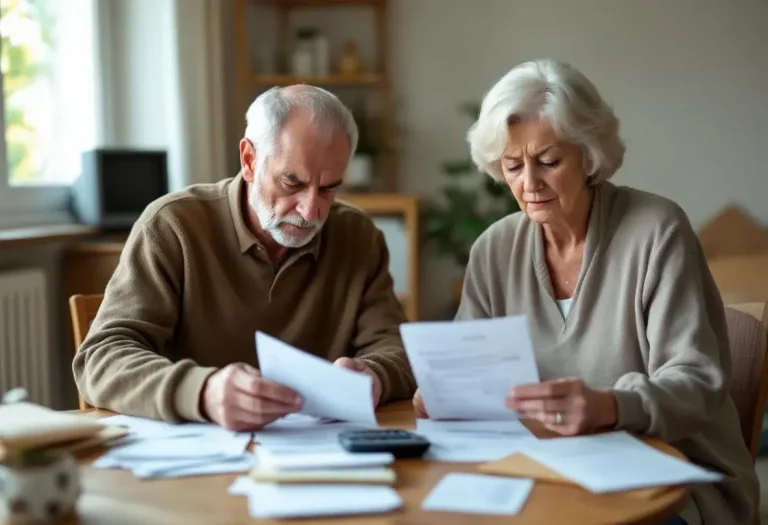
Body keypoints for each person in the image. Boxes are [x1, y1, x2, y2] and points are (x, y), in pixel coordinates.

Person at [412, 60, 758, 525]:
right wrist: (446, 394)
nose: (529, 184)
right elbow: (473, 379)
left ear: (589, 154)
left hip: (672, 483)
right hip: (545, 480)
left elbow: (697, 380)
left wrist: (611, 406)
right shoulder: (494, 249)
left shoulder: (657, 230)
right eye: (513, 166)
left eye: (549, 162)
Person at [73, 85, 416, 430]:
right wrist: (202, 392)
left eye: (328, 187)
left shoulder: (358, 237)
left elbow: (397, 350)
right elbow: (100, 360)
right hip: (196, 459)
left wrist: (374, 374)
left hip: (316, 455)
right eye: (291, 183)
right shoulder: (173, 225)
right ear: (249, 160)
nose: (311, 210)